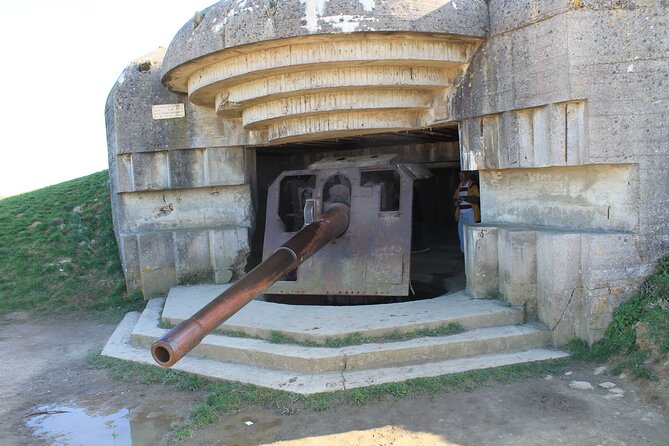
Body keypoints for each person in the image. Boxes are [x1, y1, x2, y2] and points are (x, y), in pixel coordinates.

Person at [453, 171, 480, 253]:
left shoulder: (473, 186)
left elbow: (477, 199)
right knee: (461, 232)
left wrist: (465, 198)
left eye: (463, 175)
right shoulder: (459, 186)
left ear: (467, 176)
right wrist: (456, 202)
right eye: (460, 175)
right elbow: (455, 198)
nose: (461, 177)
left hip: (470, 212)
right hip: (461, 213)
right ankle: (464, 251)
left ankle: (474, 251)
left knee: (472, 231)